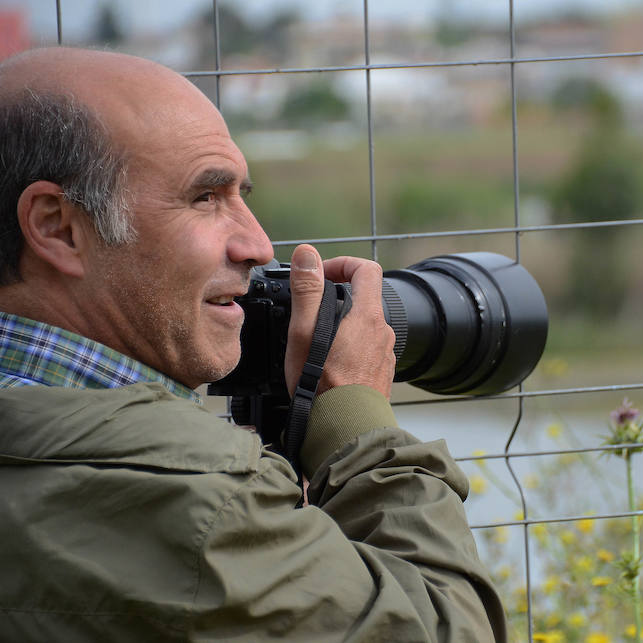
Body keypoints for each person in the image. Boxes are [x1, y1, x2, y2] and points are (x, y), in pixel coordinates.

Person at [0, 47, 506, 641]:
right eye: (206, 198)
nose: (259, 245)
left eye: (242, 195)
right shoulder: (192, 499)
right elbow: (447, 631)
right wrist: (358, 422)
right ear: (57, 226)